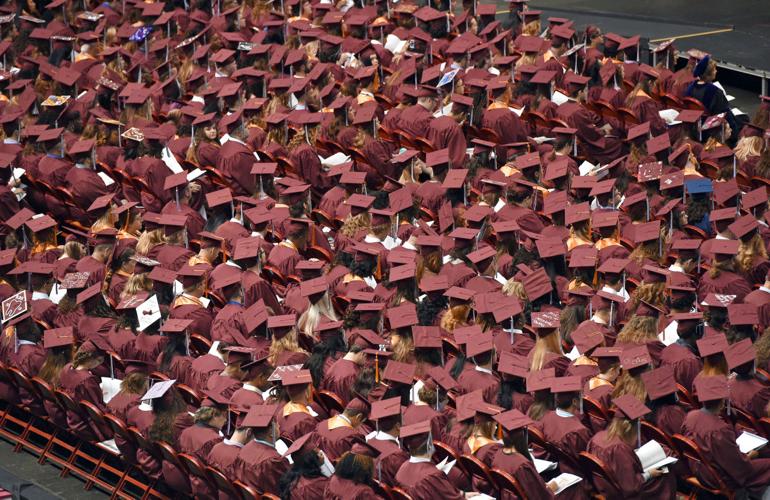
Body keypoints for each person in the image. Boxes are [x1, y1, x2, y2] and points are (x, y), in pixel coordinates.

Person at [682, 376, 770, 497]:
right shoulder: (720, 429)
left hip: (701, 470)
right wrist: (750, 456)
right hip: (721, 477)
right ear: (723, 401)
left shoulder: (690, 417)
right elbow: (738, 466)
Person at [586, 395, 676, 498]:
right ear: (629, 428)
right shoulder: (618, 448)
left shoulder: (597, 437)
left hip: (603, 486)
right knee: (665, 475)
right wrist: (649, 474)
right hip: (622, 493)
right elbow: (630, 487)